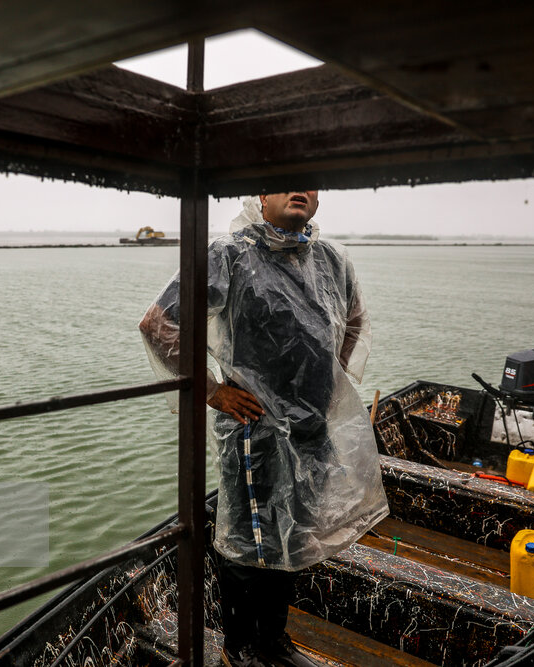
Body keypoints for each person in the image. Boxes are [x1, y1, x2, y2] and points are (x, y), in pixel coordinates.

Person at [139, 192, 388, 667]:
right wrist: (213, 391)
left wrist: (327, 378)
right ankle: (241, 645)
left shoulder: (330, 260)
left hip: (313, 427)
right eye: (285, 180)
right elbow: (159, 324)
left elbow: (354, 321)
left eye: (310, 184)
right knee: (248, 540)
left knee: (296, 536)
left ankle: (274, 641)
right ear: (262, 196)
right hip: (252, 428)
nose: (300, 189)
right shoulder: (229, 256)